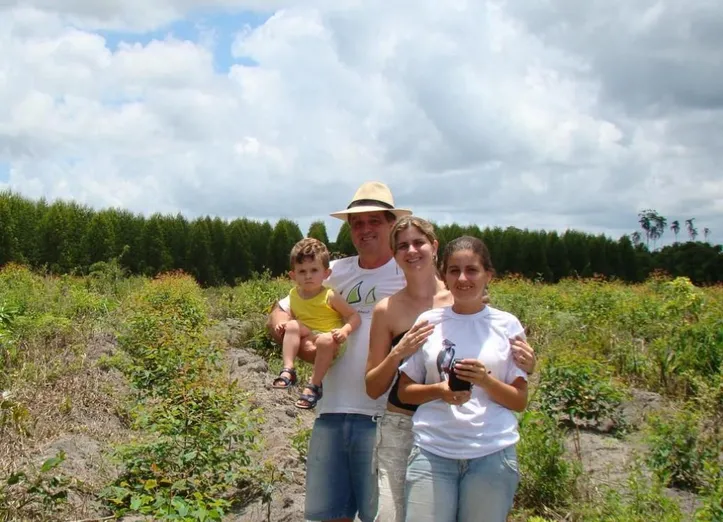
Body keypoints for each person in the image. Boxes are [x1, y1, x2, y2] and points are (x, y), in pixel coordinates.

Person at [365, 220, 536, 522]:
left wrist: (505, 373)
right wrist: (401, 353)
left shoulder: (491, 314)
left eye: (418, 242)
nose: (412, 250)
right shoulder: (409, 315)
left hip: (487, 445)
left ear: (434, 246)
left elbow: (515, 383)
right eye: (402, 245)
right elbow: (382, 386)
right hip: (421, 435)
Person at [266, 181, 410, 522]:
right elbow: (280, 309)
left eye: (374, 220)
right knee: (330, 515)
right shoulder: (334, 271)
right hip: (330, 411)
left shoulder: (408, 273)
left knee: (382, 516)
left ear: (392, 224)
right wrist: (290, 336)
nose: (365, 229)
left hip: (384, 416)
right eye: (357, 223)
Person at [271, 238, 362, 410]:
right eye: (302, 271)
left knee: (324, 340)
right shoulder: (293, 295)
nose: (308, 276)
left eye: (314, 270)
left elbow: (354, 316)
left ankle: (314, 384)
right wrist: (282, 325)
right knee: (291, 325)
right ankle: (288, 369)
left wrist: (345, 331)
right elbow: (283, 314)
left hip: (330, 338)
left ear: (326, 274)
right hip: (309, 334)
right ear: (293, 275)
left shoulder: (330, 295)